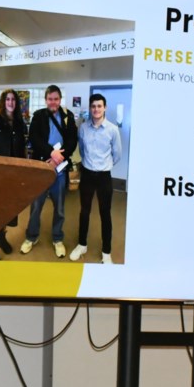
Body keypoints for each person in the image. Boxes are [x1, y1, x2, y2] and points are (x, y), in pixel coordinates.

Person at [20, 84, 78, 258]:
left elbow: (72, 140)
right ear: (46, 100)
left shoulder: (68, 116)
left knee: (59, 208)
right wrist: (50, 153)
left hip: (59, 170)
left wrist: (58, 157)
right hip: (42, 168)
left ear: (60, 100)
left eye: (56, 99)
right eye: (50, 99)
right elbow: (34, 138)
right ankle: (31, 237)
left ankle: (57, 238)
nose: (53, 102)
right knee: (36, 206)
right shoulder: (38, 116)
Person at [69, 93, 122, 264]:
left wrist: (103, 165)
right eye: (93, 106)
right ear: (90, 108)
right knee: (84, 212)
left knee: (105, 213)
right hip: (87, 175)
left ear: (104, 108)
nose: (96, 109)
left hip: (104, 177)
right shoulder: (83, 128)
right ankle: (82, 244)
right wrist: (90, 165)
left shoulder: (112, 130)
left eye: (99, 106)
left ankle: (106, 252)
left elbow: (117, 154)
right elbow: (82, 151)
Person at [0, 88, 28, 260]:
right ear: (3, 102)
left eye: (13, 100)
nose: (11, 102)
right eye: (8, 99)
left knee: (9, 211)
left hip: (14, 174)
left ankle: (2, 237)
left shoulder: (18, 122)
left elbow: (21, 149)